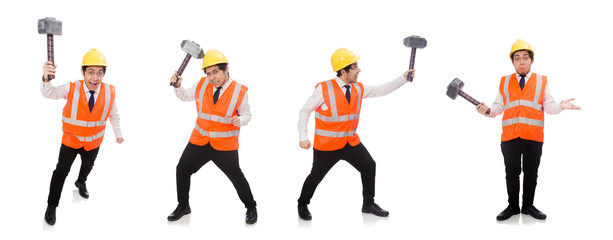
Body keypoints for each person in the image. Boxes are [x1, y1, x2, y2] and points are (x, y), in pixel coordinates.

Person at [296, 47, 415, 220]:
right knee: (315, 176)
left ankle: (368, 204)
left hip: (350, 143)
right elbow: (304, 111)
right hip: (327, 147)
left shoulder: (358, 88)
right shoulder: (324, 89)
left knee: (369, 166)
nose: (359, 70)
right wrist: (303, 137)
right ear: (343, 71)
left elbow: (381, 89)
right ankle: (302, 204)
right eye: (355, 67)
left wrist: (403, 78)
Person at [476, 39, 581, 221]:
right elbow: (497, 107)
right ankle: (513, 207)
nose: (522, 61)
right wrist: (486, 111)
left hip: (533, 136)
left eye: (525, 58)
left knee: (531, 173)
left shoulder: (541, 81)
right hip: (510, 136)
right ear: (513, 62)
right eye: (517, 58)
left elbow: (549, 107)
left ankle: (528, 206)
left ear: (532, 60)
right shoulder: (505, 81)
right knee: (512, 173)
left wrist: (561, 106)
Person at [168, 49, 258, 224]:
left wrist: (241, 120)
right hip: (199, 141)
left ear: (226, 69)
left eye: (215, 72)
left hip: (224, 145)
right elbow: (185, 96)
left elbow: (247, 115)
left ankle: (251, 207)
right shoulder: (202, 84)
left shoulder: (240, 90)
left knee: (236, 177)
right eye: (209, 73)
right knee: (182, 169)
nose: (212, 77)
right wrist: (178, 86)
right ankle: (183, 206)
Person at [41, 49, 124, 225]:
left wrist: (118, 134)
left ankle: (80, 182)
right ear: (83, 72)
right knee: (60, 173)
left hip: (93, 142)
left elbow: (113, 114)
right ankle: (51, 206)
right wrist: (46, 79)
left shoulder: (109, 92)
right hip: (71, 141)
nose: (95, 78)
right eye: (91, 72)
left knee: (88, 166)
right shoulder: (71, 88)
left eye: (100, 73)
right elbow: (49, 93)